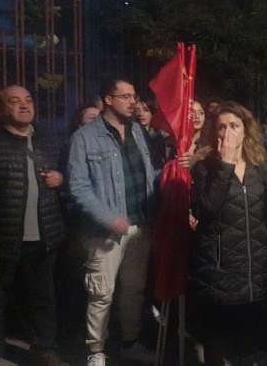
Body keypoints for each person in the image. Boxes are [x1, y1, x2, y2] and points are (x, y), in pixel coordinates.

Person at [0, 85, 65, 366]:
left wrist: (60, 179)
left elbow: (68, 182)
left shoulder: (48, 141)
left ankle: (45, 350)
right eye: (15, 101)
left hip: (44, 239)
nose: (24, 105)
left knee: (44, 301)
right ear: (3, 109)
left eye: (28, 100)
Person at [67, 78, 158, 366]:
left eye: (135, 95)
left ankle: (129, 343)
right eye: (125, 96)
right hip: (104, 232)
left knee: (134, 290)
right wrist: (110, 219)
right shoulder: (84, 138)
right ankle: (96, 350)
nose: (133, 102)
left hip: (139, 227)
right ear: (108, 99)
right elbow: (78, 186)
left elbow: (147, 175)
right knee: (101, 293)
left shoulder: (138, 132)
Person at [189, 101, 267, 364]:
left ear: (246, 130)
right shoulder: (204, 167)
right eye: (221, 126)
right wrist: (225, 165)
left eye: (234, 125)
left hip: (255, 268)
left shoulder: (260, 165)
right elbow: (206, 211)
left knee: (249, 342)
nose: (227, 132)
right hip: (220, 268)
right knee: (217, 341)